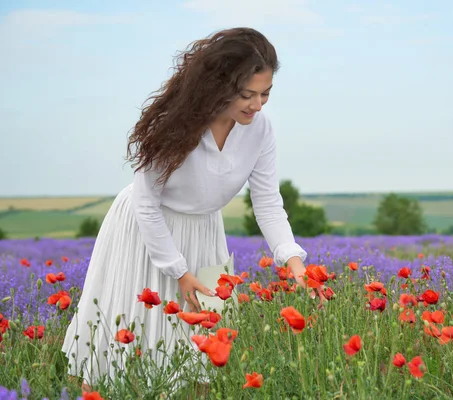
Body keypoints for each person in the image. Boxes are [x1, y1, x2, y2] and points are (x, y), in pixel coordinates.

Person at [61, 27, 313, 387]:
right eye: (247, 94)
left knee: (202, 359)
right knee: (131, 335)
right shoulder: (174, 125)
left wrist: (293, 262)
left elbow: (268, 202)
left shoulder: (260, 130)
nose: (257, 105)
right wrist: (178, 270)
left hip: (205, 232)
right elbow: (145, 203)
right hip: (147, 232)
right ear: (219, 86)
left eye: (265, 94)